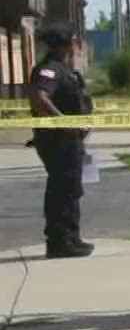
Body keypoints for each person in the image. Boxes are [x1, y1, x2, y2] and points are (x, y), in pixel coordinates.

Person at [26, 24, 94, 258]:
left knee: (72, 188)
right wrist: (62, 122)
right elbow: (39, 97)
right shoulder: (49, 70)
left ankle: (72, 237)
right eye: (73, 40)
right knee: (62, 188)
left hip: (70, 140)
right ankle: (59, 241)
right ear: (63, 44)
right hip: (58, 140)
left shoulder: (65, 69)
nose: (76, 45)